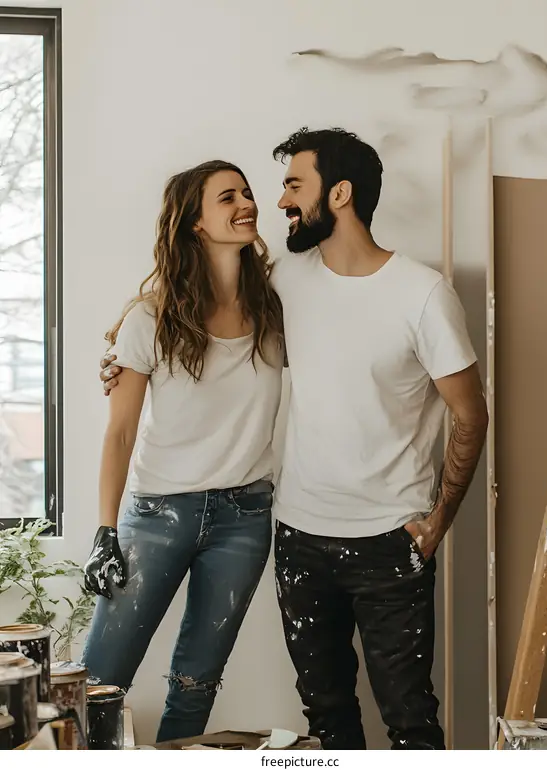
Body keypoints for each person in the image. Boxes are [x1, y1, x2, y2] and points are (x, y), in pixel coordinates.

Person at [100, 128, 489, 750]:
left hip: (392, 542)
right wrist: (125, 339)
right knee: (327, 723)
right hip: (299, 538)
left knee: (410, 722)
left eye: (291, 185)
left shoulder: (422, 294)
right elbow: (194, 297)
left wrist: (439, 519)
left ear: (339, 194)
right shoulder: (286, 282)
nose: (276, 201)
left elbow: (471, 415)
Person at [82, 160, 285, 743]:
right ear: (195, 222)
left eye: (247, 193)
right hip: (157, 516)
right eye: (228, 197)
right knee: (100, 681)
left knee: (197, 683)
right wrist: (104, 533)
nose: (246, 203)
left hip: (245, 518)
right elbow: (119, 432)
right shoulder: (151, 317)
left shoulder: (275, 308)